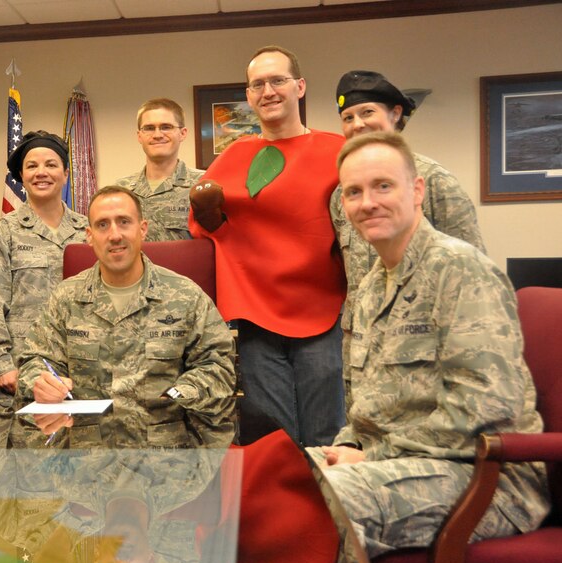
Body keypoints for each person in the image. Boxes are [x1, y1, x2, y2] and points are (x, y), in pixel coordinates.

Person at [314, 131, 548, 559]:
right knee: (264, 481)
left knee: (312, 504)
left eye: (383, 185)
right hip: (398, 465)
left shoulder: (460, 270)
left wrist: (372, 457)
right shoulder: (370, 288)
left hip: (487, 478)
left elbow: (484, 406)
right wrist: (349, 445)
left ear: (417, 189)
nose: (367, 202)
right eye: (354, 192)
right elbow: (369, 406)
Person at [189, 46, 346, 447]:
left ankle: (328, 510)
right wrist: (210, 215)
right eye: (257, 84)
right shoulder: (237, 154)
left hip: (322, 310)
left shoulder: (337, 150)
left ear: (300, 87)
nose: (268, 91)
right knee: (273, 438)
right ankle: (282, 511)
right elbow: (206, 225)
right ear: (248, 95)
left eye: (277, 80)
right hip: (257, 316)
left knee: (326, 433)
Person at [16, 185, 236, 447]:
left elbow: (219, 366)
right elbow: (34, 360)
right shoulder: (66, 298)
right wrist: (42, 383)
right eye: (102, 225)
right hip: (86, 460)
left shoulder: (185, 296)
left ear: (142, 229)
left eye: (124, 222)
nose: (115, 235)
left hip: (166, 459)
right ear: (89, 236)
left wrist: (176, 394)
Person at [330, 70, 486, 386]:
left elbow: (472, 272)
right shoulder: (341, 195)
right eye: (348, 117)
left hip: (425, 349)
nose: (357, 124)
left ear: (396, 113)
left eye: (367, 112)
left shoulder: (434, 182)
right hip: (361, 349)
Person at [0, 131, 87, 406]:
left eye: (51, 165)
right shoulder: (5, 231)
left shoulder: (88, 231)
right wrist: (2, 366)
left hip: (82, 368)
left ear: (65, 173)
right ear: (21, 176)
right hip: (22, 372)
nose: (42, 173)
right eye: (32, 166)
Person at [114, 98, 203, 241]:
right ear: (139, 136)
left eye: (166, 127)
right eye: (149, 128)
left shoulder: (202, 185)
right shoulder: (120, 190)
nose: (157, 135)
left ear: (183, 133)